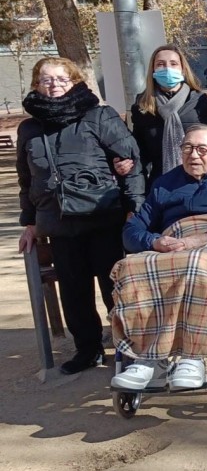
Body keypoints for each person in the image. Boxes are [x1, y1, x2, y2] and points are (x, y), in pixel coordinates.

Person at [109, 125, 207, 390]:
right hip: (172, 243)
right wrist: (154, 241)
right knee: (130, 266)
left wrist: (204, 238)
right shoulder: (164, 184)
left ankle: (192, 358)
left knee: (197, 262)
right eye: (187, 148)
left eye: (202, 149)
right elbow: (132, 230)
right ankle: (148, 359)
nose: (194, 155)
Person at [16, 58, 145, 374]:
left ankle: (129, 348)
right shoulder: (29, 129)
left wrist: (135, 209)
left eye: (61, 79)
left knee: (115, 287)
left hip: (104, 217)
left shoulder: (99, 116)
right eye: (46, 80)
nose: (53, 85)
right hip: (58, 223)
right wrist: (29, 223)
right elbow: (26, 179)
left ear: (74, 81)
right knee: (74, 293)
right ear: (36, 85)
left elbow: (131, 162)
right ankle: (88, 350)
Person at [129, 45, 207, 184]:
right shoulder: (143, 107)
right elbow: (139, 155)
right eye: (160, 64)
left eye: (173, 64)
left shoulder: (200, 104)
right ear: (153, 70)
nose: (167, 69)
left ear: (183, 69)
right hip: (161, 185)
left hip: (200, 184)